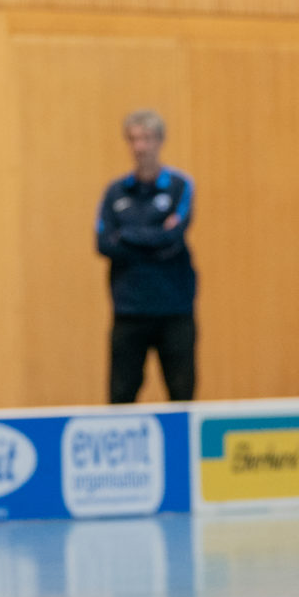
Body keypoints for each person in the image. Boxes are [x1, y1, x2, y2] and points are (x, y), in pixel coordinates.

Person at [96, 109, 197, 403]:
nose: (140, 146)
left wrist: (127, 233)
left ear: (160, 141)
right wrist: (154, 233)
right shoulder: (115, 192)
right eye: (133, 139)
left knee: (182, 394)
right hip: (129, 310)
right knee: (120, 395)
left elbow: (173, 239)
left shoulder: (180, 186)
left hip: (174, 309)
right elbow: (104, 243)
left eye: (147, 138)